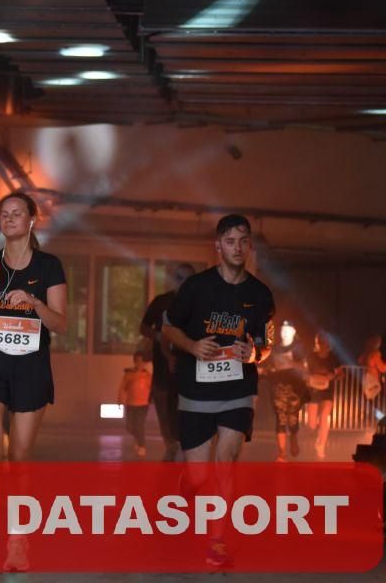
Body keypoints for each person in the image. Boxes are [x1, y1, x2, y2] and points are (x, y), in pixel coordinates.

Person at [162, 213, 274, 567]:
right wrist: (193, 346)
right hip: (196, 390)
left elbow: (265, 343)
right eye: (229, 241)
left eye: (243, 241)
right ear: (218, 246)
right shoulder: (196, 287)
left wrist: (255, 353)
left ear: (249, 245)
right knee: (200, 476)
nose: (237, 248)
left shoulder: (260, 294)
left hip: (239, 390)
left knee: (225, 463)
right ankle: (189, 481)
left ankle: (217, 541)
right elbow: (169, 328)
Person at [0, 191, 67, 573]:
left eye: (16, 213)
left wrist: (35, 303)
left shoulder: (49, 266)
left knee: (20, 458)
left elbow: (62, 323)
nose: (8, 219)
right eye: (3, 214)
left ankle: (19, 541)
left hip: (30, 368)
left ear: (31, 220)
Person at [140, 263, 195, 461]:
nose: (184, 282)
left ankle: (184, 449)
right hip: (164, 368)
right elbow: (144, 327)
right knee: (165, 410)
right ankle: (171, 447)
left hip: (191, 370)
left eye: (188, 279)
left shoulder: (200, 304)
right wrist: (160, 337)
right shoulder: (162, 302)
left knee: (188, 411)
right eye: (179, 277)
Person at [267, 320, 308, 462]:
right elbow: (270, 366)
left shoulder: (298, 347)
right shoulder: (275, 349)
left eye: (287, 330)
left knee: (292, 418)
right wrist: (272, 369)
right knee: (280, 418)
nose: (284, 332)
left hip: (295, 389)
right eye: (282, 330)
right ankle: (282, 453)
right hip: (278, 388)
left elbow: (304, 367)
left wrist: (290, 363)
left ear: (293, 331)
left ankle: (294, 437)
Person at [305, 331, 342, 459]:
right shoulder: (311, 356)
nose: (322, 345)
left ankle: (321, 445)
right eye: (320, 342)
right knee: (311, 424)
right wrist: (309, 377)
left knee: (324, 416)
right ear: (316, 343)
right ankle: (316, 435)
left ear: (328, 344)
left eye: (324, 342)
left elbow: (341, 373)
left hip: (327, 390)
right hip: (313, 390)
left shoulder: (333, 358)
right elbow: (304, 371)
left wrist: (333, 376)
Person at [119, 351, 152, 458]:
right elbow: (122, 388)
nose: (139, 363)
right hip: (130, 404)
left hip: (143, 405)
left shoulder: (147, 375)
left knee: (139, 425)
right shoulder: (129, 374)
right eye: (137, 361)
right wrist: (120, 400)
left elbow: (152, 389)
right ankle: (138, 440)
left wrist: (153, 400)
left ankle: (142, 446)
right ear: (134, 361)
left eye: (142, 361)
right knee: (129, 426)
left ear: (144, 363)